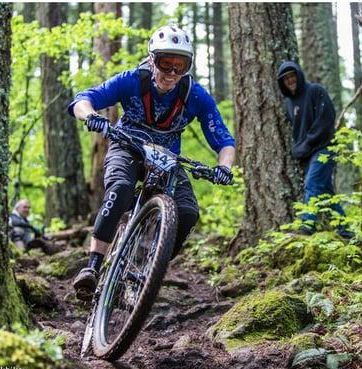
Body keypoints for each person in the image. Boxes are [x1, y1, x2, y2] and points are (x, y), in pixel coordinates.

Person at [68, 26, 236, 300]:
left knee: (188, 212)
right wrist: (91, 117)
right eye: (165, 64)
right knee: (120, 188)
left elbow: (224, 141)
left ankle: (149, 266)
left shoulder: (195, 95)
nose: (171, 73)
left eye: (179, 66)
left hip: (168, 159)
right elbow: (83, 100)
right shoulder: (132, 80)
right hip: (127, 145)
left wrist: (224, 167)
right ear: (151, 59)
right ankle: (93, 266)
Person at [277, 61, 353, 239]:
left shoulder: (316, 91)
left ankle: (307, 226)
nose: (290, 80)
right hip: (307, 155)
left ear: (298, 74)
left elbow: (326, 121)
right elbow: (297, 130)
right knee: (326, 194)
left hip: (324, 148)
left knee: (312, 184)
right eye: (285, 78)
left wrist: (306, 144)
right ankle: (347, 231)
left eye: (292, 75)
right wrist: (299, 150)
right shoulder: (288, 103)